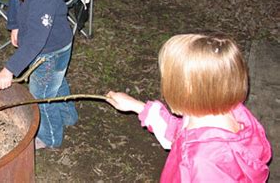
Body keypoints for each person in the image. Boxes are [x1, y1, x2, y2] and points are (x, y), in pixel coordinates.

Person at [106, 33, 271, 182]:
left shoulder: (204, 162)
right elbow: (181, 134)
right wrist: (137, 106)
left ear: (186, 91)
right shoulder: (226, 112)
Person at [0, 0, 78, 150]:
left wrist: (10, 68)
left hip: (49, 50)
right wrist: (15, 25)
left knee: (41, 95)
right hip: (46, 45)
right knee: (56, 84)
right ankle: (69, 116)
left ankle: (50, 137)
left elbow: (37, 41)